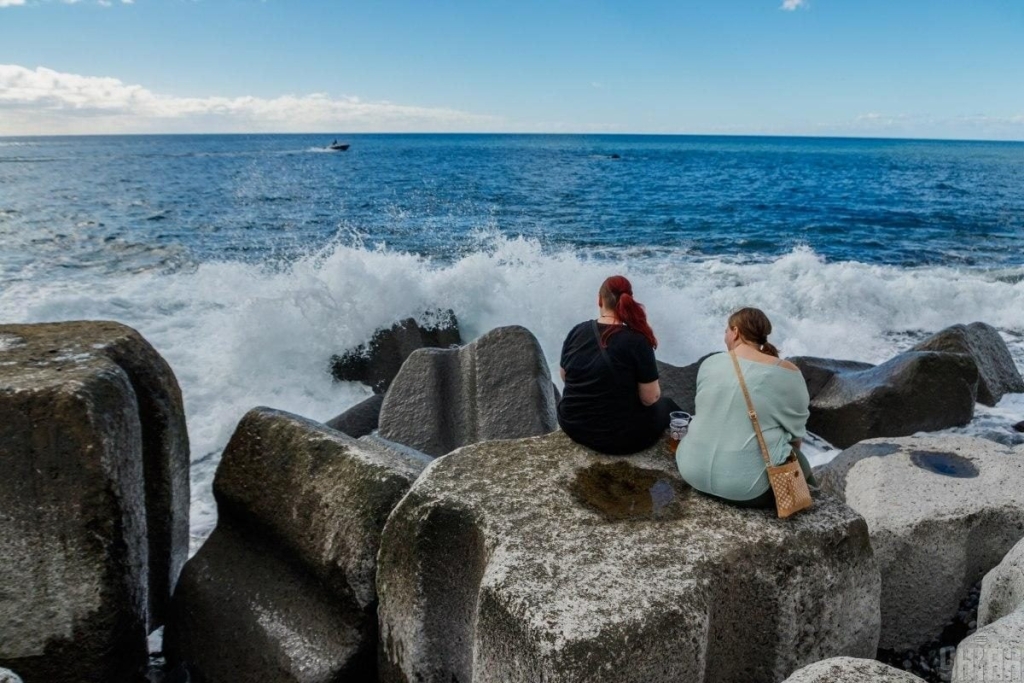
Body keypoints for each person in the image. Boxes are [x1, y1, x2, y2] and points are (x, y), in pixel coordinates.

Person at [676, 307, 812, 508]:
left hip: (690, 471)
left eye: (726, 331)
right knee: (798, 459)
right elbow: (796, 433)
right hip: (747, 491)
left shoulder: (710, 363)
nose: (725, 337)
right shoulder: (788, 372)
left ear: (736, 331)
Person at [558, 275, 681, 455]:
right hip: (616, 439)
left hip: (572, 424)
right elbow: (650, 398)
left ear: (600, 300)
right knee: (668, 406)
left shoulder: (577, 331)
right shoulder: (637, 340)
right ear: (629, 300)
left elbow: (565, 376)